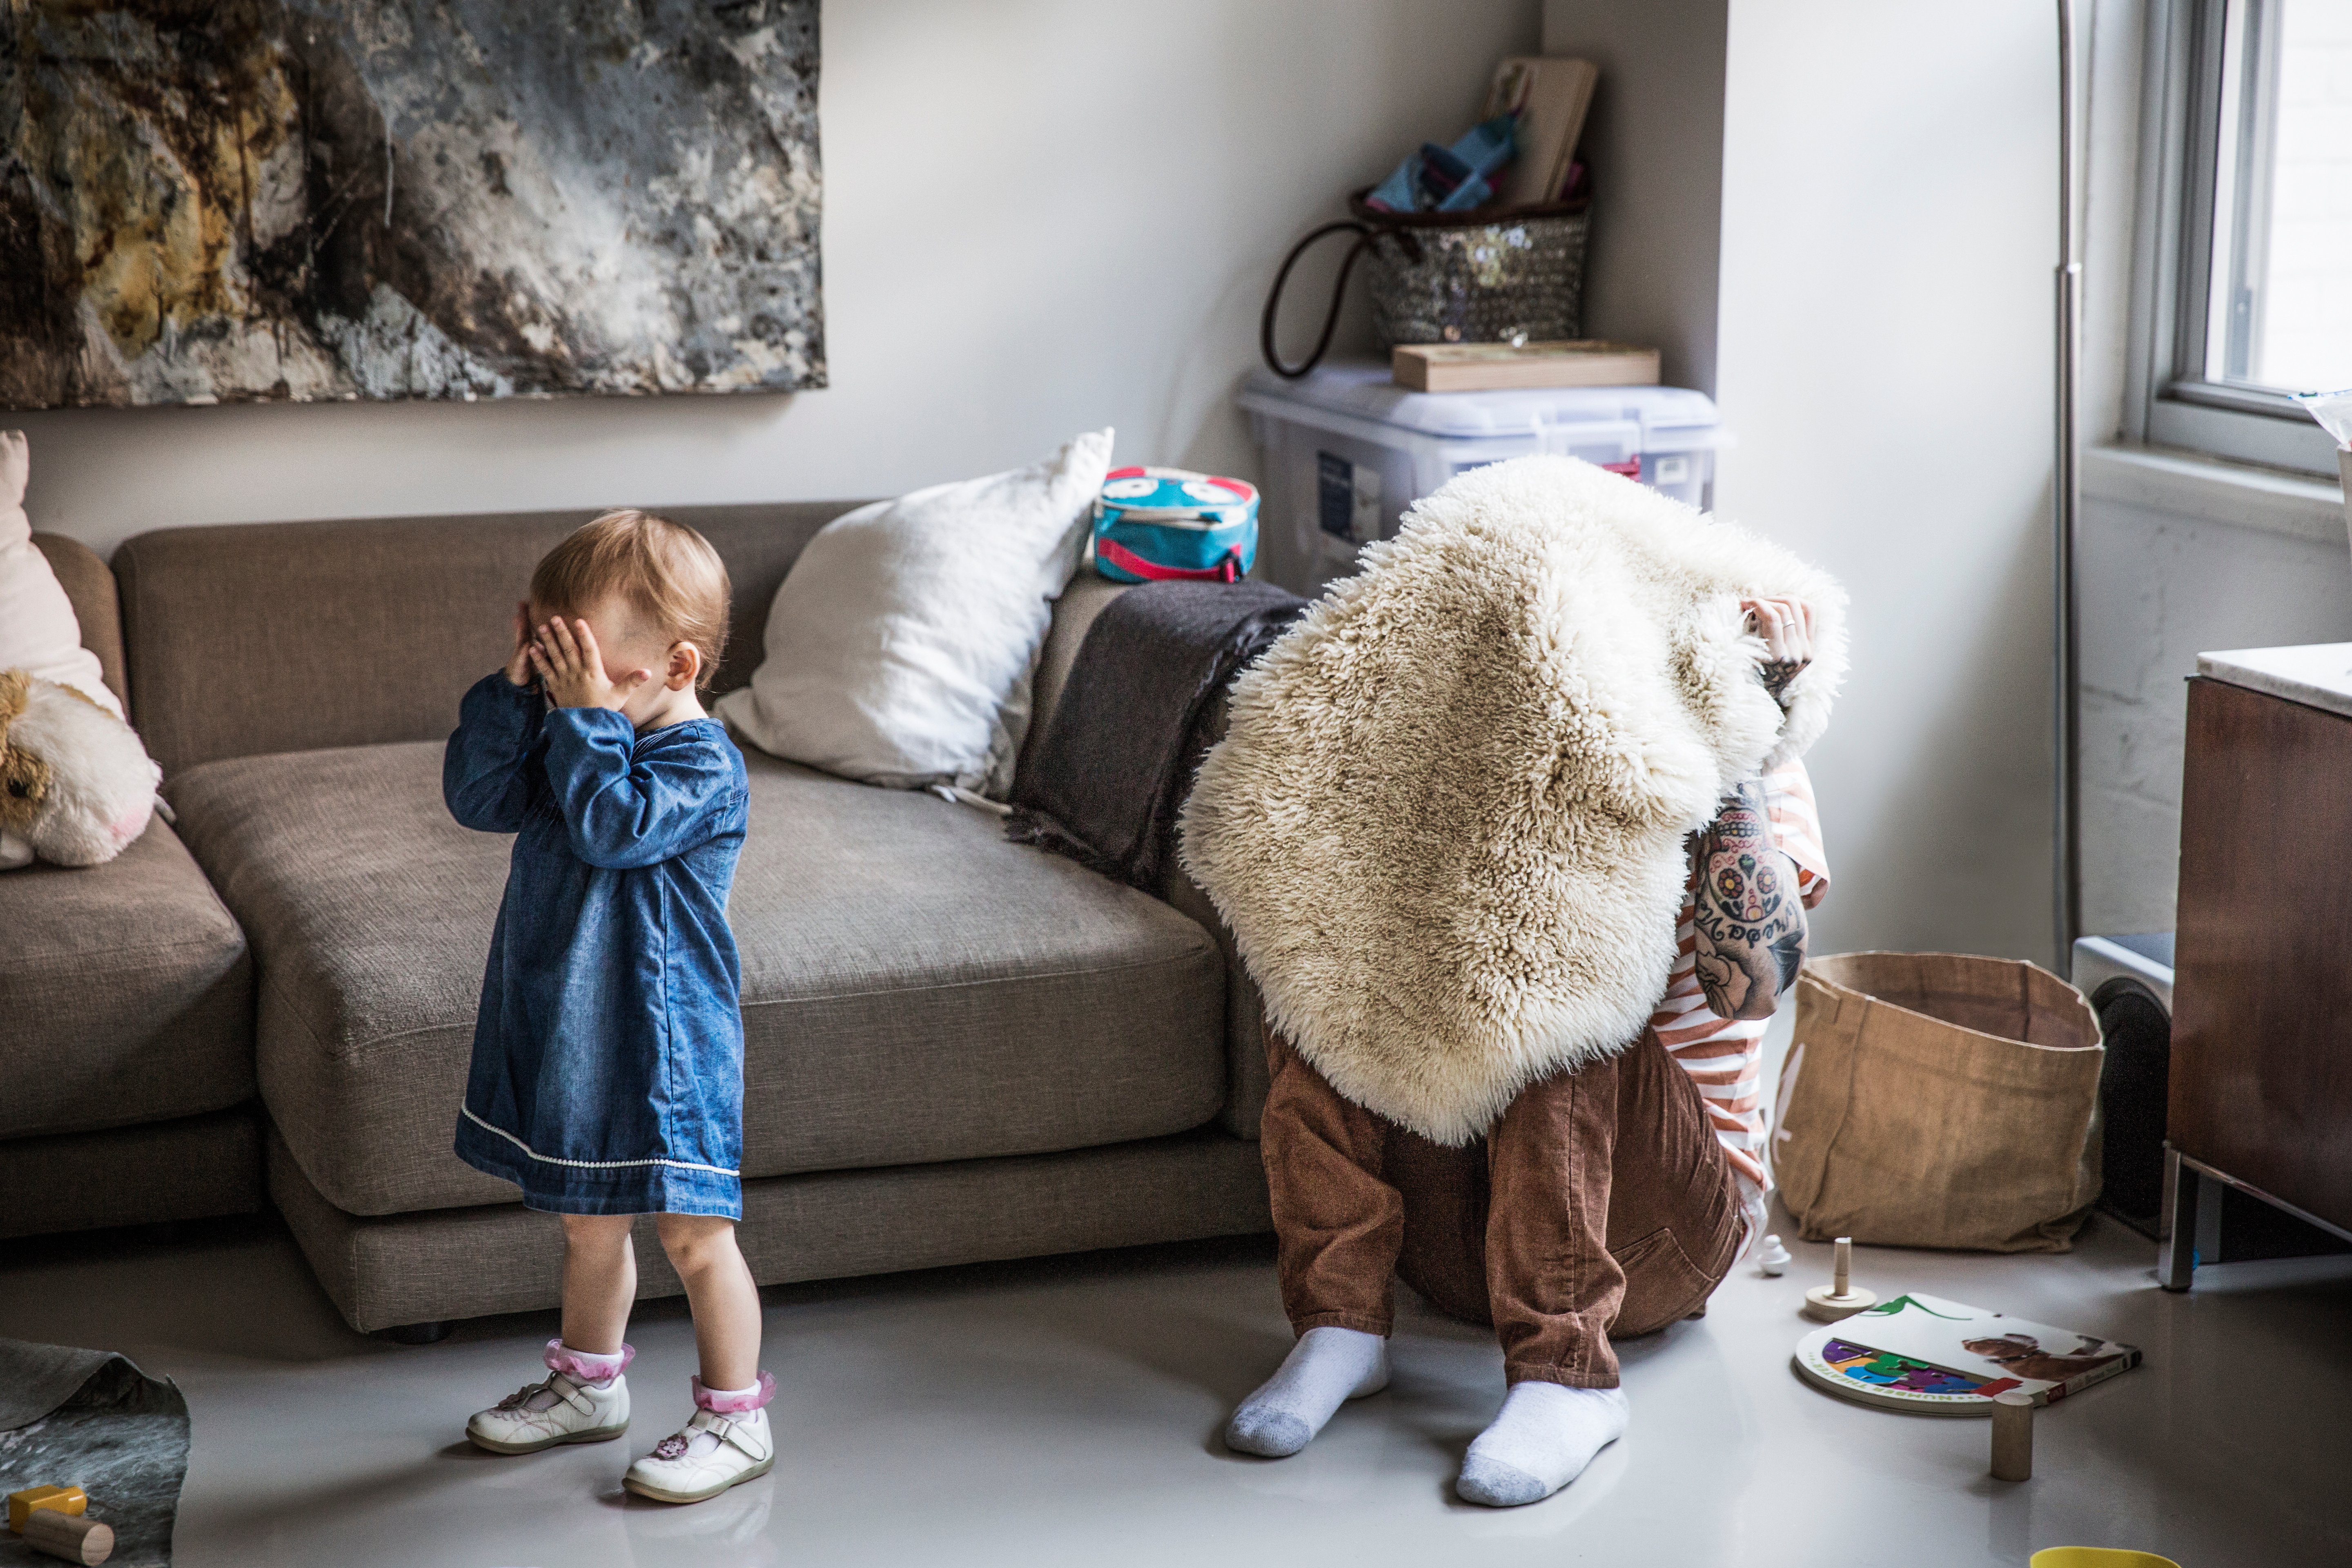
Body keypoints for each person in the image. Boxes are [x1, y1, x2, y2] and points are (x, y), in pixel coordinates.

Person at [1223, 597, 1832, 1508]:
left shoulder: (1754, 766)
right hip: (1461, 1240)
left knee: (1560, 979)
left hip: (1661, 1241)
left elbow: (1751, 986)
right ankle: (1340, 1325)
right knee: (1323, 956)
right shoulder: (1490, 755)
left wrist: (1744, 741)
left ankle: (1569, 1382)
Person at [443, 510, 771, 1506]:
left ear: (676, 666)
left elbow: (613, 829)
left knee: (693, 1236)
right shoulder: (578, 728)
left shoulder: (702, 765)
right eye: (552, 664)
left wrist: (581, 721)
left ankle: (735, 1417)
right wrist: (517, 696)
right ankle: (588, 1388)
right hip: (576, 1021)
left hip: (665, 1036)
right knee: (589, 1224)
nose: (562, 692)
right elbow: (477, 798)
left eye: (588, 671)